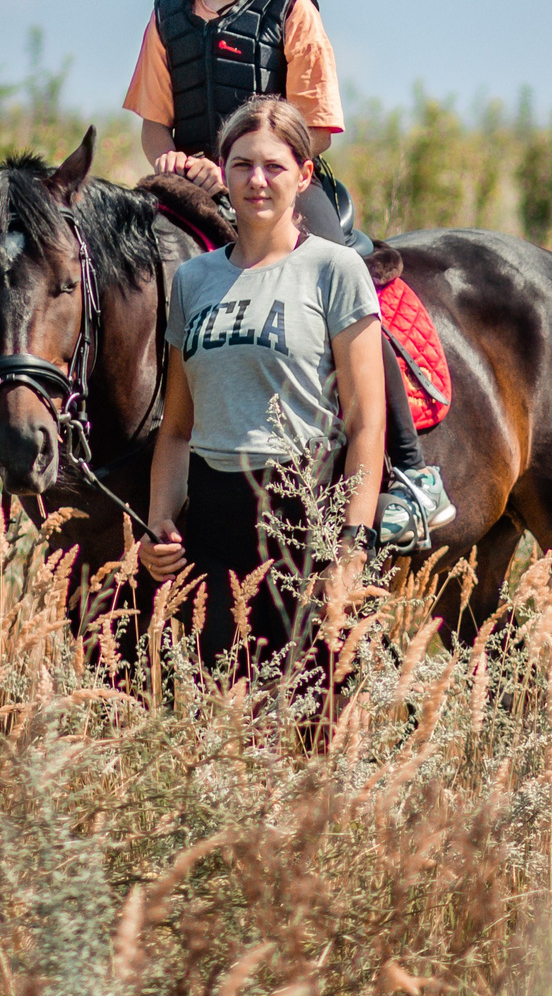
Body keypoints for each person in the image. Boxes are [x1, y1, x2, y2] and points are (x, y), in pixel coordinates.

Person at [123, 0, 451, 552]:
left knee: (348, 272)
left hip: (285, 182)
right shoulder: (166, 15)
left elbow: (320, 125)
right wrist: (175, 161)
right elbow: (153, 126)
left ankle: (413, 474)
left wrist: (246, 165)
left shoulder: (292, 6)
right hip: (195, 190)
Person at [139, 98, 387, 676]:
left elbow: (365, 425)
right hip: (213, 531)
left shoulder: (334, 269)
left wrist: (350, 547)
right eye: (242, 164)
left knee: (312, 729)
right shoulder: (195, 280)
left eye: (274, 166)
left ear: (304, 176)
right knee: (223, 726)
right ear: (222, 171)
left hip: (305, 518)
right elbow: (177, 429)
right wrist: (160, 523)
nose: (257, 180)